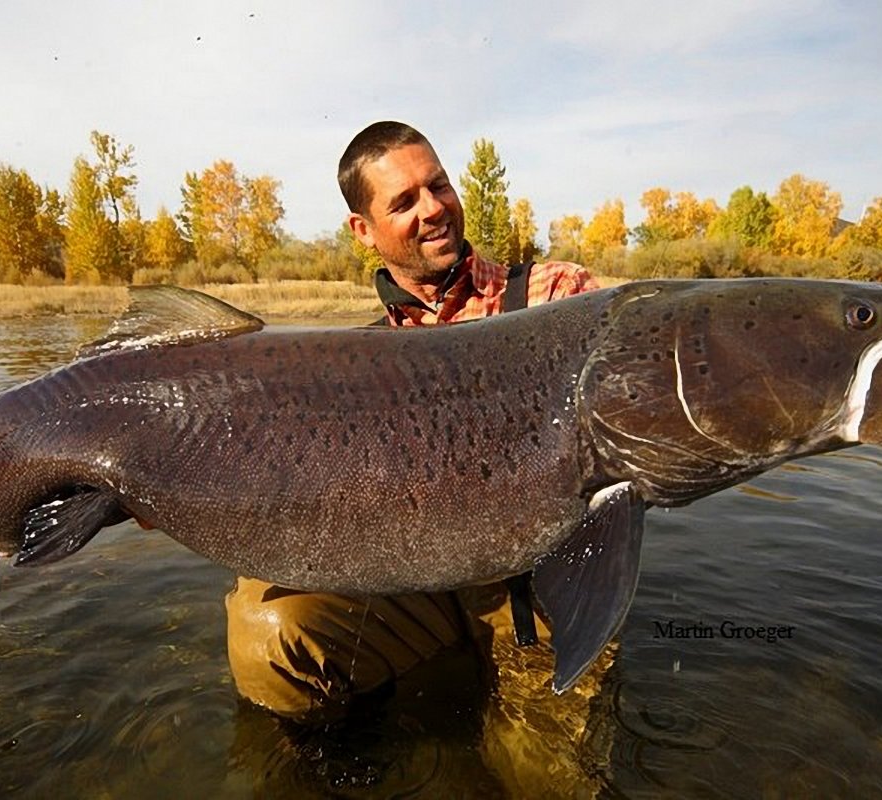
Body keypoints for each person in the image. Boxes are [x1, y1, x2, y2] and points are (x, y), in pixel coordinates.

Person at [224, 121, 601, 724]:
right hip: (413, 583)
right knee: (270, 632)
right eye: (403, 202)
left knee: (545, 769)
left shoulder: (556, 294)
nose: (433, 209)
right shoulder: (358, 362)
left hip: (538, 599)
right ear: (363, 231)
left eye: (439, 185)